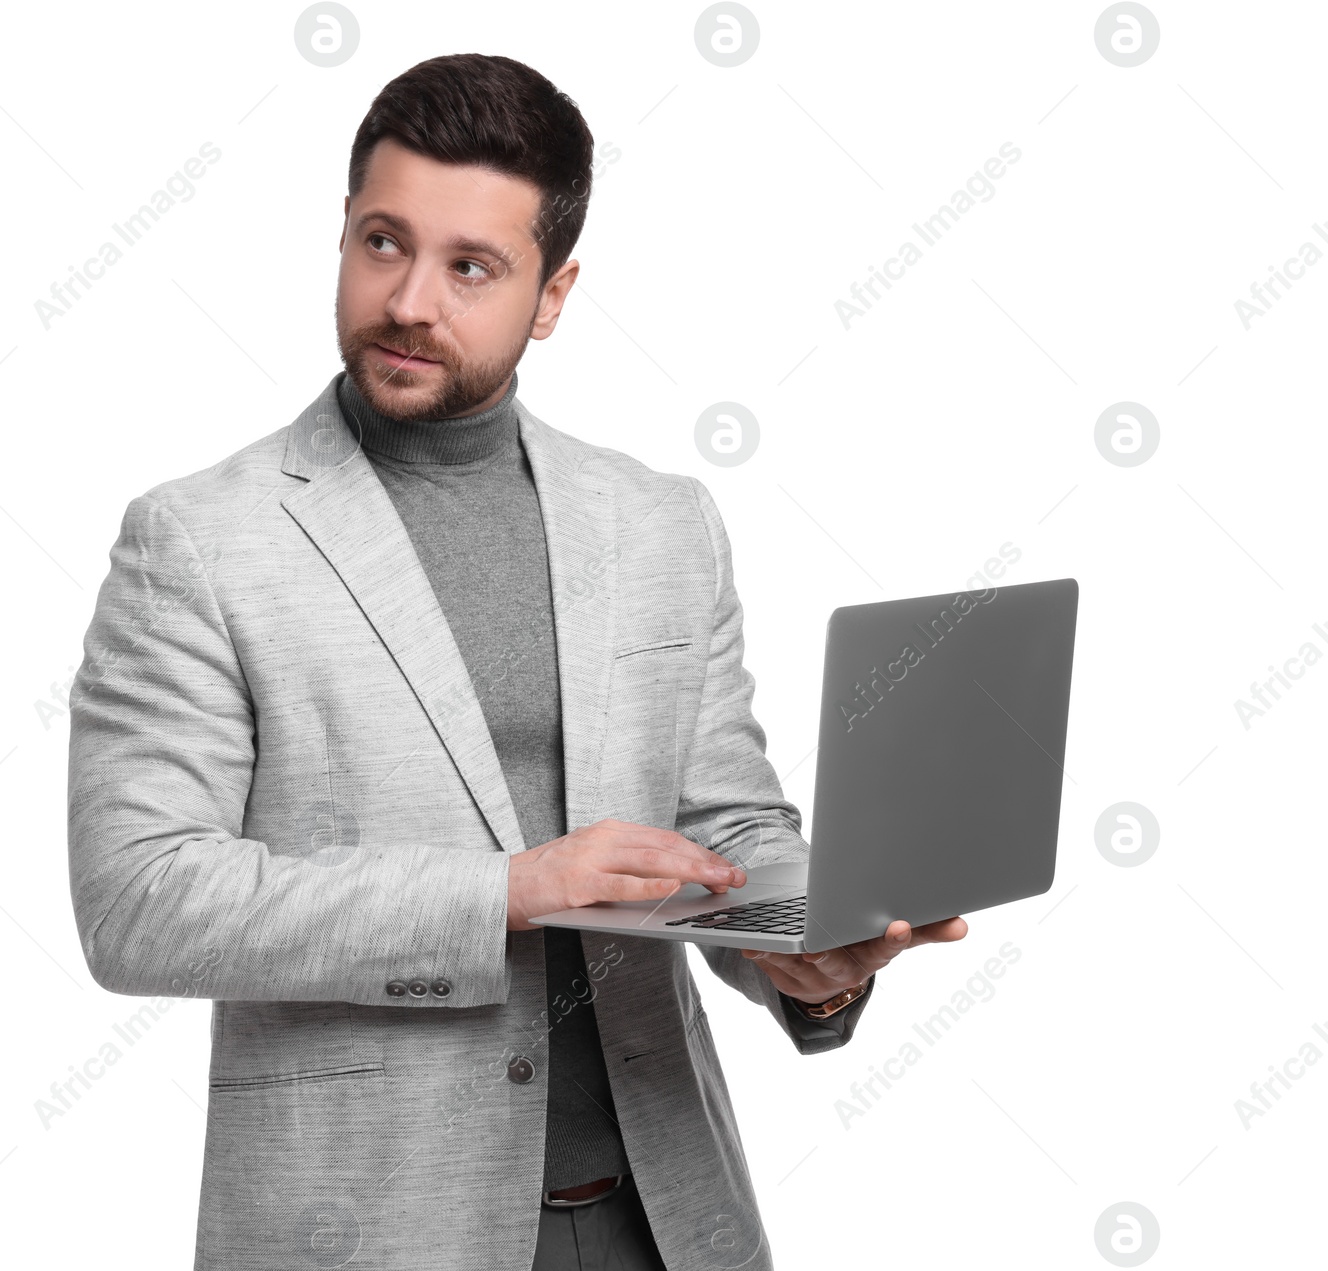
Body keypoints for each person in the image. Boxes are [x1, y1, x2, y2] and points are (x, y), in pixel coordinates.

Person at [66, 52, 965, 1271]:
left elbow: (723, 820)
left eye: (470, 266)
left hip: (665, 1216)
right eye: (382, 243)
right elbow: (142, 901)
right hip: (371, 1231)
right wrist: (506, 888)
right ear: (341, 232)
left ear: (552, 294)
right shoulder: (200, 539)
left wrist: (805, 940)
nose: (409, 300)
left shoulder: (659, 521)